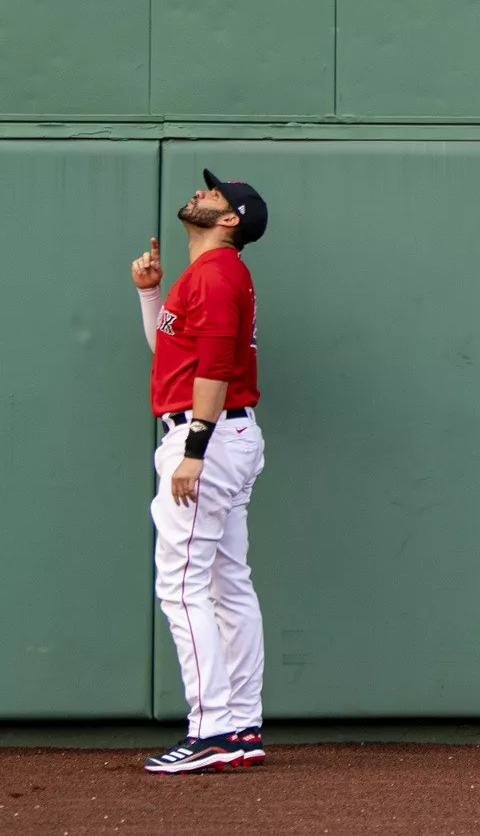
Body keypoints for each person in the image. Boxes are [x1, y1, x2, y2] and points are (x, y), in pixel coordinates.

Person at [130, 171, 271, 774]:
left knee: (182, 585)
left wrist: (194, 448)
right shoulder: (207, 275)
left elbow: (212, 369)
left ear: (230, 218)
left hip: (205, 438)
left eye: (215, 194)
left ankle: (211, 728)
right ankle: (239, 724)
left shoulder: (216, 274)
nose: (203, 194)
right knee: (225, 583)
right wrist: (149, 296)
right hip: (223, 434)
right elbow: (176, 359)